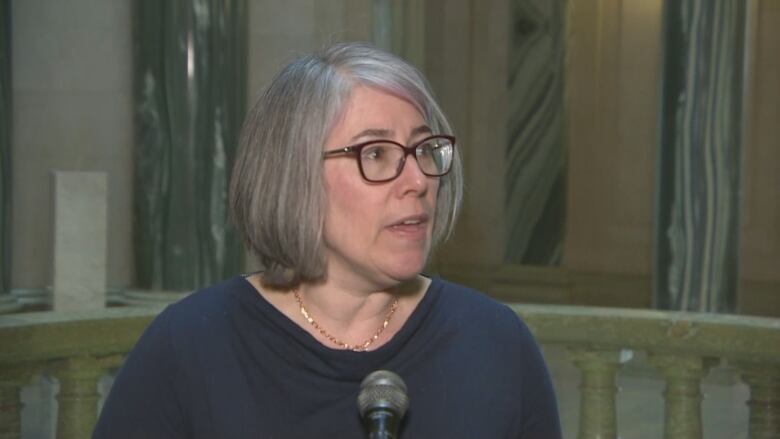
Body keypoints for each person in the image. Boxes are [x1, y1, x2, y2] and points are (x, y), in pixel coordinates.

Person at [93, 42, 561, 439]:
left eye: (423, 149)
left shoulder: (496, 342)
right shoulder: (189, 347)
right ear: (294, 176)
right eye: (376, 153)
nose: (418, 180)